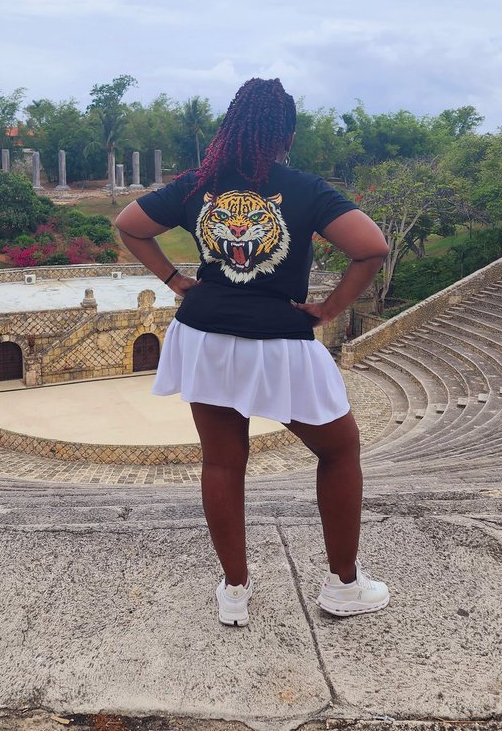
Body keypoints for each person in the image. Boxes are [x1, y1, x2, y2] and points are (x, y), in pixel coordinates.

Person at [115, 77, 391, 627]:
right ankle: (342, 586)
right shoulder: (305, 187)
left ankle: (235, 591)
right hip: (278, 342)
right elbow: (372, 247)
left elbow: (130, 225)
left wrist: (175, 279)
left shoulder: (199, 185)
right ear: (286, 131)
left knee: (222, 461)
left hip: (203, 336)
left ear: (230, 126)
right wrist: (329, 308)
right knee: (338, 453)